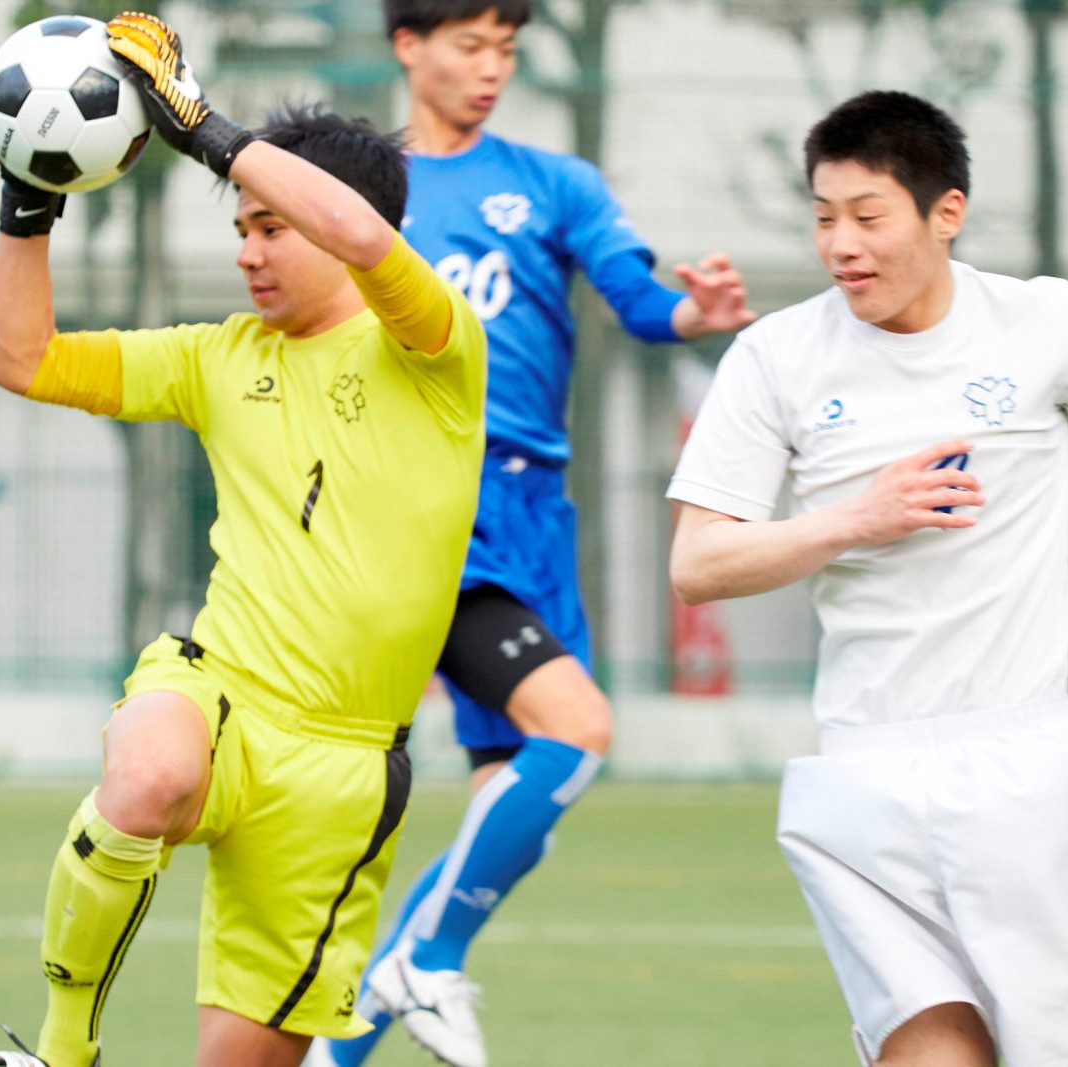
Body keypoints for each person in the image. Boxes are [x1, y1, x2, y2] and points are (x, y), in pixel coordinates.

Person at [0, 13, 488, 1067]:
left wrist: (206, 128)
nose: (250, 250)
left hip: (344, 771)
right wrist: (27, 201)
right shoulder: (217, 356)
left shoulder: (435, 348)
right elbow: (22, 359)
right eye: (240, 227)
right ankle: (61, 1052)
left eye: (270, 226)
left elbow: (359, 239)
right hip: (225, 689)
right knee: (149, 772)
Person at [666, 90, 1068, 1067]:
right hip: (859, 774)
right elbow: (698, 565)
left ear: (945, 213)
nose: (841, 242)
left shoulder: (1044, 321)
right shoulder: (774, 355)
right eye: (823, 215)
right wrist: (857, 516)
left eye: (867, 215)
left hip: (1025, 762)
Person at [313, 3, 753, 1065]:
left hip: (535, 521)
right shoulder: (358, 194)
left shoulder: (555, 183)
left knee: (518, 805)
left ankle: (346, 1042)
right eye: (469, 45)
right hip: (429, 509)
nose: (490, 68)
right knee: (577, 729)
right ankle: (422, 963)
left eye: (506, 49)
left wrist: (691, 312)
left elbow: (639, 301)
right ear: (407, 47)